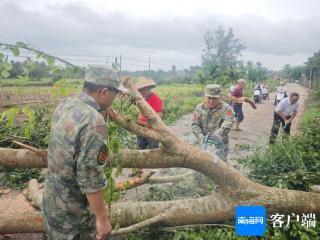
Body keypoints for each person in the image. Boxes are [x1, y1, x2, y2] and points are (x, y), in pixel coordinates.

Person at [42, 65, 127, 240]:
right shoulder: (93, 122)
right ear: (103, 92)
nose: (115, 98)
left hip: (53, 201)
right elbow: (90, 176)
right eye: (115, 93)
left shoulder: (66, 105)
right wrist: (102, 219)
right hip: (75, 215)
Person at [192, 84, 234, 161]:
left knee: (220, 166)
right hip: (202, 143)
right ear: (205, 97)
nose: (211, 101)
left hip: (219, 145)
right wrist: (201, 138)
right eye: (209, 98)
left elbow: (227, 124)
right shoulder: (199, 108)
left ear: (220, 98)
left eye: (214, 98)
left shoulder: (227, 109)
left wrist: (214, 136)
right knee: (202, 163)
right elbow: (195, 125)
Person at [135, 77, 163, 149]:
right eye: (140, 90)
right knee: (140, 149)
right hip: (141, 128)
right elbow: (140, 113)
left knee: (153, 150)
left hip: (152, 129)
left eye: (143, 89)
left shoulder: (156, 99)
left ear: (148, 88)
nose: (142, 91)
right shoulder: (142, 99)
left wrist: (148, 124)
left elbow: (159, 116)